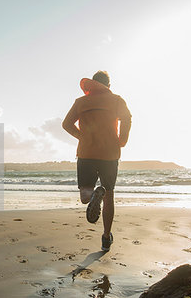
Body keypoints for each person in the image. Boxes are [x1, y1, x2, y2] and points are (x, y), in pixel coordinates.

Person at [62, 70, 131, 251]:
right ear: (108, 86)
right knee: (109, 195)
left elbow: (66, 124)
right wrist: (122, 140)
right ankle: (106, 237)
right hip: (110, 153)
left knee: (85, 196)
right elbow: (127, 118)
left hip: (86, 153)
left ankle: (92, 196)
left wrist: (82, 137)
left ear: (91, 84)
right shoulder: (117, 100)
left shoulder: (81, 102)